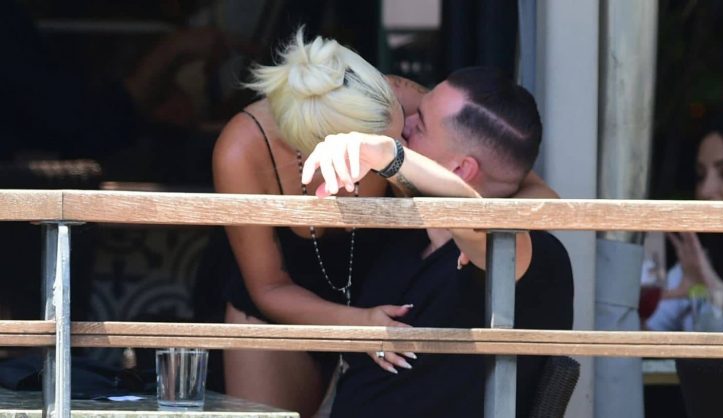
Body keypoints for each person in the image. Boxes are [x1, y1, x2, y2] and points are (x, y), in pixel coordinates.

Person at [212, 31, 554, 416]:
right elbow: (269, 286)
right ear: (318, 146)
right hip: (285, 309)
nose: (402, 141)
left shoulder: (395, 99)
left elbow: (512, 178)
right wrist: (359, 324)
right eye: (381, 149)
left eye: (402, 140)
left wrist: (485, 230)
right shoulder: (242, 149)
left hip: (387, 294)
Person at [303, 67, 574, 417]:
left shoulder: (534, 253)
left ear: (461, 170)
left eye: (421, 125)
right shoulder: (408, 235)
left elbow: (478, 224)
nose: (406, 125)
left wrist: (389, 156)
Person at [646, 107, 723, 332]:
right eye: (701, 176)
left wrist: (714, 287)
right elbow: (640, 336)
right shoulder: (696, 264)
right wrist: (643, 303)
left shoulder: (703, 272)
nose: (705, 190)